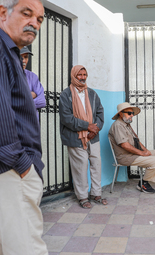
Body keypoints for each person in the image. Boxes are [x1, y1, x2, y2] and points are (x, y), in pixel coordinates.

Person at [0, 0, 48, 254]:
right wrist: (24, 166)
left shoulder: (7, 51)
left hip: (2, 174)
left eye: (39, 19)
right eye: (26, 13)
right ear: (3, 12)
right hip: (8, 174)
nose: (34, 22)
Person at [59, 65, 107, 208]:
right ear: (73, 75)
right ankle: (82, 197)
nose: (82, 77)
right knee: (80, 167)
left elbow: (100, 112)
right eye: (79, 74)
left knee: (96, 165)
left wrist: (95, 128)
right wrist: (87, 126)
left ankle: (96, 194)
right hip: (75, 137)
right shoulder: (66, 95)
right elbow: (66, 118)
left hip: (93, 137)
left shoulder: (92, 94)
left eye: (85, 74)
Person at [108, 102, 155, 194]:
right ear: (120, 113)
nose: (132, 115)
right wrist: (142, 153)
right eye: (129, 113)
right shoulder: (118, 126)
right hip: (125, 157)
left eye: (132, 113)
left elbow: (137, 141)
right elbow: (124, 145)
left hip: (133, 154)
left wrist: (146, 151)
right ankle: (143, 183)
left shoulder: (126, 125)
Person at [20, 45, 46, 114]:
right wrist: (30, 95)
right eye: (20, 57)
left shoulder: (33, 77)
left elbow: (42, 102)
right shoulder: (5, 75)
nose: (24, 61)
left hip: (31, 122)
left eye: (26, 57)